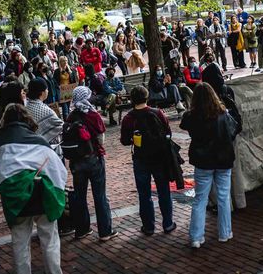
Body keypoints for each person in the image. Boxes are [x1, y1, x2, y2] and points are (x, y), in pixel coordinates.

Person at [0, 104, 67, 274]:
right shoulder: (39, 140)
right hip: (43, 194)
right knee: (50, 239)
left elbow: (0, 169)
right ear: (26, 118)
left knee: (20, 242)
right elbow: (58, 170)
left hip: (16, 198)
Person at [180, 82, 237, 248]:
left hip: (203, 161)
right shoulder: (223, 114)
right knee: (223, 196)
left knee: (200, 198)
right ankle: (225, 233)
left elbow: (185, 124)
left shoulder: (192, 116)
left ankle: (196, 237)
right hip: (223, 159)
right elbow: (233, 131)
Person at [120, 86, 176, 236]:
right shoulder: (157, 113)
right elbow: (168, 133)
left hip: (140, 158)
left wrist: (134, 139)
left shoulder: (128, 118)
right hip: (159, 156)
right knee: (164, 191)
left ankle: (149, 226)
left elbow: (124, 141)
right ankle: (168, 223)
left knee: (144, 194)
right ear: (147, 97)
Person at [67, 87, 118, 241]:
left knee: (79, 195)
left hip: (76, 161)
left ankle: (82, 229)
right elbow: (101, 139)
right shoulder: (93, 115)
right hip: (94, 158)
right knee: (100, 195)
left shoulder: (70, 116)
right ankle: (105, 231)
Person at [26, 78, 64, 155]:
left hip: (34, 151)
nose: (48, 91)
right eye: (47, 89)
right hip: (49, 152)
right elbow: (61, 127)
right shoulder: (46, 111)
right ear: (42, 92)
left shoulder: (26, 107)